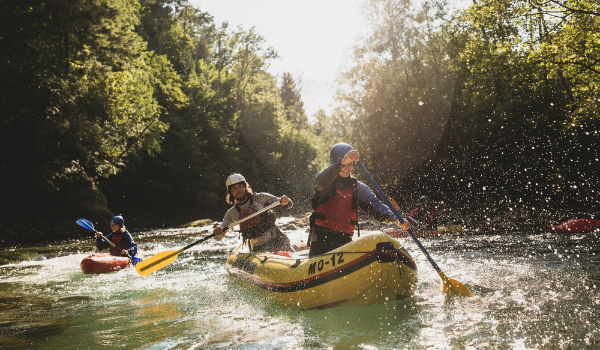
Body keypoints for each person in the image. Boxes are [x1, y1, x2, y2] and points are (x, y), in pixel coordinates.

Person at [308, 142, 410, 257]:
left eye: (350, 164)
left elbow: (376, 205)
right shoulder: (324, 180)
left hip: (345, 241)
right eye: (344, 164)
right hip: (321, 241)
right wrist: (342, 162)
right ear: (335, 163)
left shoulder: (358, 188)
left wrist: (395, 218)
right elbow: (321, 181)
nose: (347, 168)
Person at [213, 173, 293, 252]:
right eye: (234, 188)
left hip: (278, 241)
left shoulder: (260, 198)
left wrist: (286, 201)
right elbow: (218, 238)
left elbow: (288, 204)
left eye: (240, 186)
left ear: (245, 187)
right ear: (230, 192)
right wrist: (217, 232)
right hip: (258, 249)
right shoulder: (231, 214)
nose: (238, 190)